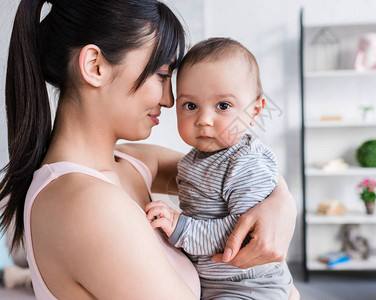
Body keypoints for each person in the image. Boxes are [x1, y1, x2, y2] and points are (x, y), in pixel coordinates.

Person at [0, 0, 297, 299]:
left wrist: (282, 205)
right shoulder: (88, 203)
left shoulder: (134, 161)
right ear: (95, 66)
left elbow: (235, 168)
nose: (169, 100)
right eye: (162, 75)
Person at [146, 37, 297, 299]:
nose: (203, 120)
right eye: (190, 106)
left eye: (223, 106)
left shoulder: (245, 161)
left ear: (255, 110)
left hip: (248, 285)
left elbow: (245, 232)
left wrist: (181, 227)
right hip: (215, 281)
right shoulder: (193, 160)